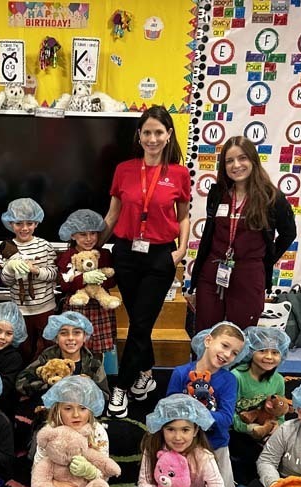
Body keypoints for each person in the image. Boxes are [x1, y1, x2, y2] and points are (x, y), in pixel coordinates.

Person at [100, 105, 191, 419]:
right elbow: (112, 214)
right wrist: (95, 248)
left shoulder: (179, 173)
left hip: (160, 255)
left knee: (140, 323)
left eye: (159, 132)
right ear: (139, 135)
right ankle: (146, 372)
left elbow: (183, 216)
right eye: (147, 132)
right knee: (141, 321)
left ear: (168, 135)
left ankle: (121, 387)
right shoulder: (124, 169)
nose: (152, 139)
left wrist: (181, 250)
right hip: (125, 252)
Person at [190, 136, 297, 332]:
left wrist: (266, 260)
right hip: (213, 271)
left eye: (242, 158)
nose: (236, 165)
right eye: (229, 161)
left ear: (253, 160)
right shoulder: (218, 193)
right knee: (206, 333)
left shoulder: (271, 197)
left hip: (248, 274)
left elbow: (289, 233)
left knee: (239, 335)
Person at [25, 376, 121, 487]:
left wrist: (91, 473)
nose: (76, 415)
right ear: (57, 409)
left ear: (91, 409)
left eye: (82, 408)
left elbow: (104, 471)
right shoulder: (49, 432)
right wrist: (56, 486)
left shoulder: (98, 432)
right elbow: (37, 469)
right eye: (68, 408)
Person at [166, 321, 247, 487]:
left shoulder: (229, 380)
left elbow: (226, 419)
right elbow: (168, 411)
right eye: (225, 345)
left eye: (235, 353)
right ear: (208, 341)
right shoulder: (180, 373)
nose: (228, 355)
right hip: (182, 443)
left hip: (214, 444)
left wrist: (192, 411)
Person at [0, 198, 58, 362]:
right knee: (23, 347)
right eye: (19, 223)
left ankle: (44, 373)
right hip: (20, 310)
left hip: (45, 308)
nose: (24, 228)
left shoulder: (45, 246)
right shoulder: (6, 247)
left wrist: (36, 271)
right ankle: (25, 374)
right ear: (10, 223)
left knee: (47, 346)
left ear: (36, 223)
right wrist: (10, 268)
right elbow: (6, 281)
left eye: (29, 223)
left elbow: (54, 273)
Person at [230, 326, 290, 483]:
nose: (269, 357)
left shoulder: (278, 380)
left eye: (275, 352)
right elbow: (228, 411)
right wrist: (248, 428)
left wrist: (278, 426)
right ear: (250, 351)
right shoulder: (236, 377)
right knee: (249, 459)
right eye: (262, 351)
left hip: (266, 427)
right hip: (238, 429)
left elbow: (281, 409)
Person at [56, 209, 118, 363]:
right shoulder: (67, 256)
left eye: (93, 233)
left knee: (97, 349)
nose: (89, 239)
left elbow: (112, 281)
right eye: (83, 234)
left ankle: (96, 373)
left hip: (100, 307)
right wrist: (83, 279)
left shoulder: (103, 254)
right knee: (74, 345)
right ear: (72, 235)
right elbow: (64, 285)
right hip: (77, 306)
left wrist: (99, 279)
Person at [16, 311, 109, 408]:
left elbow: (104, 396)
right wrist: (50, 386)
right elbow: (21, 383)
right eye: (64, 333)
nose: (70, 338)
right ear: (56, 337)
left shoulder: (93, 362)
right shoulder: (47, 357)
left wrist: (84, 389)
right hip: (51, 411)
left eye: (77, 333)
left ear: (84, 336)